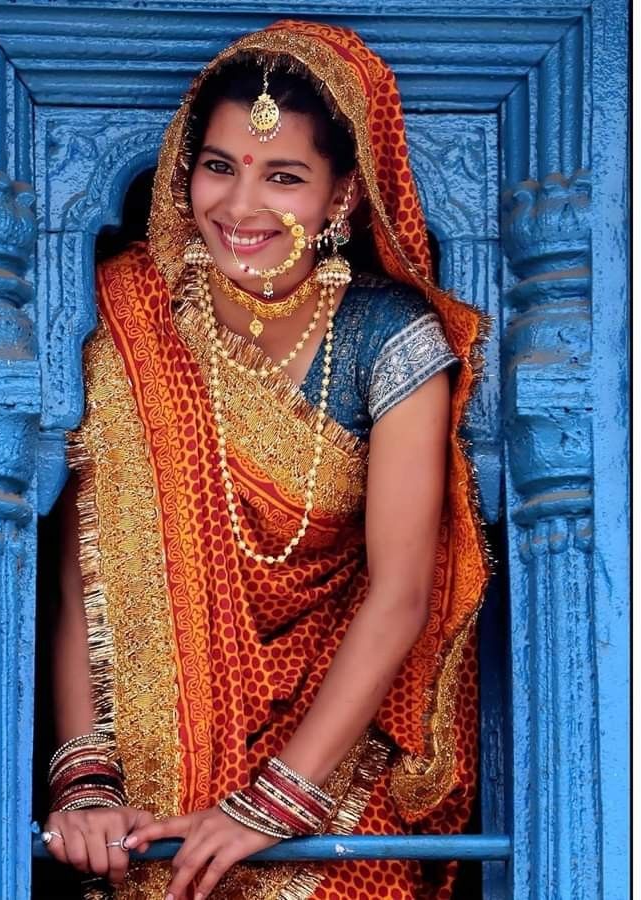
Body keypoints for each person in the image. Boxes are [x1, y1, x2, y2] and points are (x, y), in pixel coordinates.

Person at [42, 19, 490, 900]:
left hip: (332, 784)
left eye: (283, 176)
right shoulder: (125, 317)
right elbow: (79, 582)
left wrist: (274, 803)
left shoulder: (390, 340)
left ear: (342, 198)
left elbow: (400, 594)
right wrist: (85, 785)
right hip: (145, 806)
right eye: (219, 166)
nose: (239, 208)